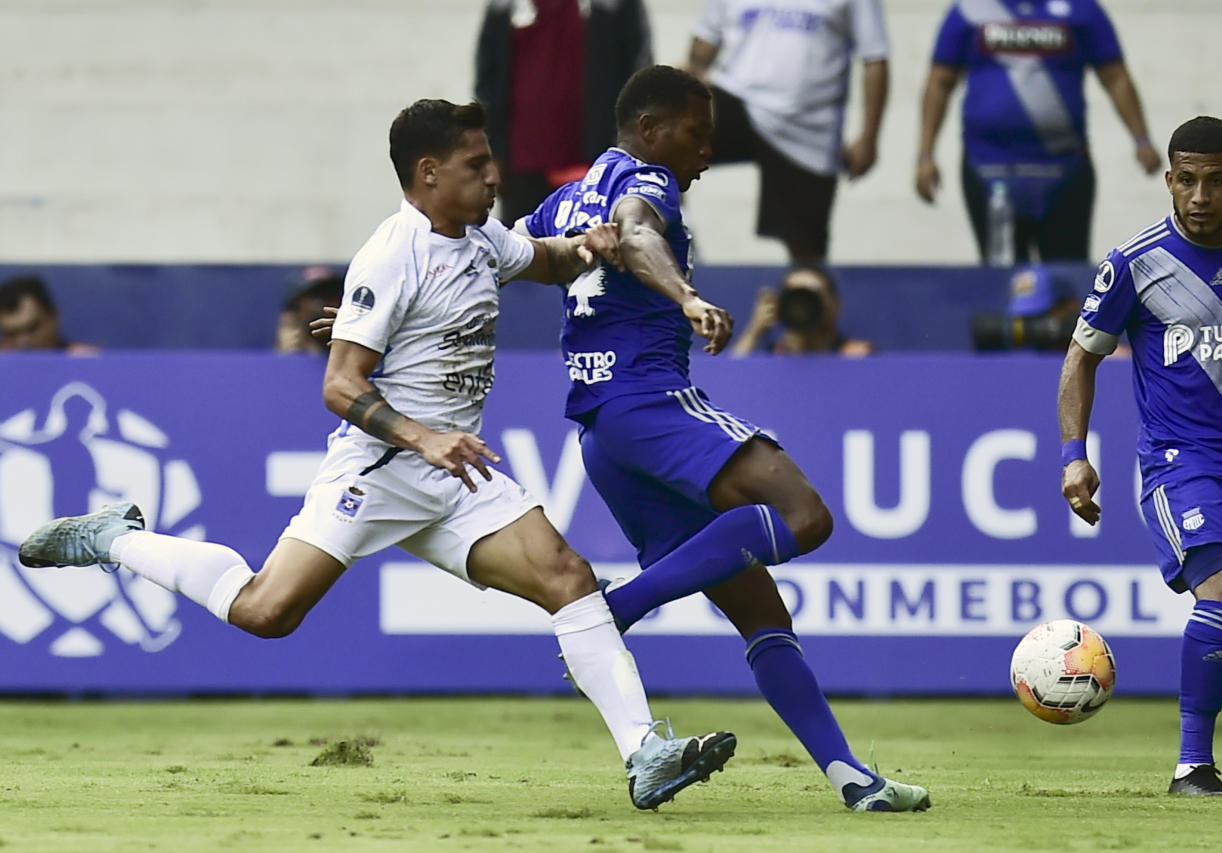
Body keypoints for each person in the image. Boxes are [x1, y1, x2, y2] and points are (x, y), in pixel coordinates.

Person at [18, 98, 735, 811]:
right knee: (266, 610)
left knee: (568, 576)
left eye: (490, 161)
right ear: (428, 173)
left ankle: (645, 752)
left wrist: (589, 247)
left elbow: (541, 260)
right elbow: (339, 385)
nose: (493, 176)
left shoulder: (482, 238)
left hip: (456, 475)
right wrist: (424, 434)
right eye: (475, 164)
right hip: (382, 468)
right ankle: (115, 537)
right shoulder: (392, 253)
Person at [520, 65, 929, 812]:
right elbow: (641, 229)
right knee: (806, 516)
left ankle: (851, 778)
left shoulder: (560, 199)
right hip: (650, 403)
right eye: (696, 134)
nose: (705, 152)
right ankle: (618, 608)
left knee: (763, 616)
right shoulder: (647, 179)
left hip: (603, 438)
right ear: (649, 130)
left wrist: (375, 327)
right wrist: (687, 297)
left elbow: (494, 258)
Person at [1058, 115, 1222, 796]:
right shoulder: (1135, 261)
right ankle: (1193, 763)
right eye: (1186, 179)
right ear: (1168, 179)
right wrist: (1073, 454)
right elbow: (1081, 356)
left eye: (1214, 180)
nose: (1199, 194)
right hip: (1181, 462)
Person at [916, 0, 1161, 263]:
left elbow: (1115, 77)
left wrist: (1142, 139)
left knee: (1066, 276)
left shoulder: (1082, 10)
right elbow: (939, 82)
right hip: (988, 168)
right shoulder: (969, 10)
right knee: (1001, 279)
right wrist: (925, 156)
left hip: (1065, 170)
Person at [685, 0, 890, 266]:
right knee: (667, 135)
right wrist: (687, 75)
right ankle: (668, 228)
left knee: (807, 255)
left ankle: (804, 294)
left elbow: (874, 58)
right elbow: (703, 45)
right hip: (739, 97)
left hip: (808, 127)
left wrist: (869, 137)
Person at [475, 0, 652, 226]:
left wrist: (626, 154)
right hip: (522, 165)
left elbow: (638, 77)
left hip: (594, 163)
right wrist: (493, 151)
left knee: (593, 252)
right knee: (522, 251)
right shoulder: (505, 6)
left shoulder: (616, 6)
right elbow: (488, 80)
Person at [731, 266, 875, 356]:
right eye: (797, 296)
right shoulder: (775, 356)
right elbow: (729, 381)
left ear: (835, 304)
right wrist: (755, 330)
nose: (804, 306)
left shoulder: (857, 356)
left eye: (813, 295)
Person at [0, 275, 98, 354]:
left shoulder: (89, 361)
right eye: (11, 333)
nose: (23, 342)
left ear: (54, 315)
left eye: (32, 328)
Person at [275, 266, 345, 354]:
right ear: (298, 304)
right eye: (316, 295)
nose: (324, 302)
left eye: (331, 294)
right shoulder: (292, 331)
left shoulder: (347, 330)